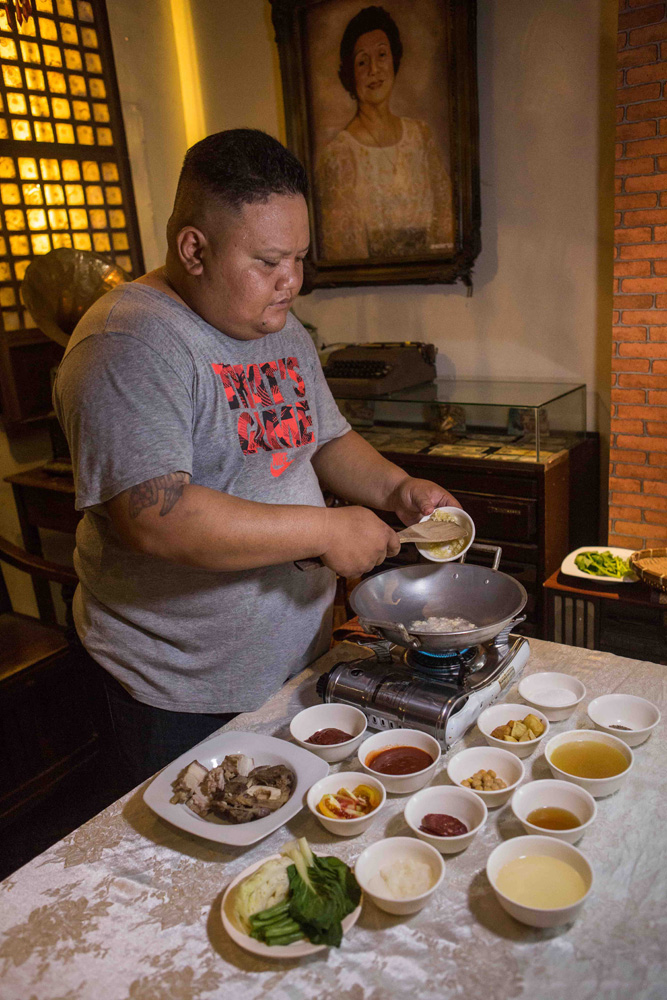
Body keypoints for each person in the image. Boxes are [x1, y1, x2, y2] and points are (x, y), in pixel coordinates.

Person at [54, 128, 460, 783]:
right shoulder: (127, 343)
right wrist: (327, 529)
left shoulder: (278, 327)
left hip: (295, 657)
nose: (290, 282)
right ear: (194, 248)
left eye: (299, 258)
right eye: (268, 261)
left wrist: (396, 489)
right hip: (178, 690)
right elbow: (154, 516)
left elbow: (320, 438)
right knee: (189, 870)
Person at [317, 5, 454, 260]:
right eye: (361, 61)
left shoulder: (420, 136)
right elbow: (344, 252)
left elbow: (446, 221)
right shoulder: (338, 155)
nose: (374, 70)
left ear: (394, 60)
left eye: (381, 55)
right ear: (350, 73)